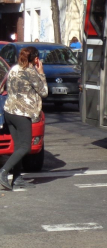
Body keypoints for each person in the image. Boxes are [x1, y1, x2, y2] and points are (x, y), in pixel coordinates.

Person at [0, 46, 47, 191]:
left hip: (9, 112)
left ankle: (17, 178)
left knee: (18, 146)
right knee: (25, 146)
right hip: (22, 113)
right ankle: (3, 172)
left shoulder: (13, 69)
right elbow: (44, 92)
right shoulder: (30, 73)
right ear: (36, 59)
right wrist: (41, 73)